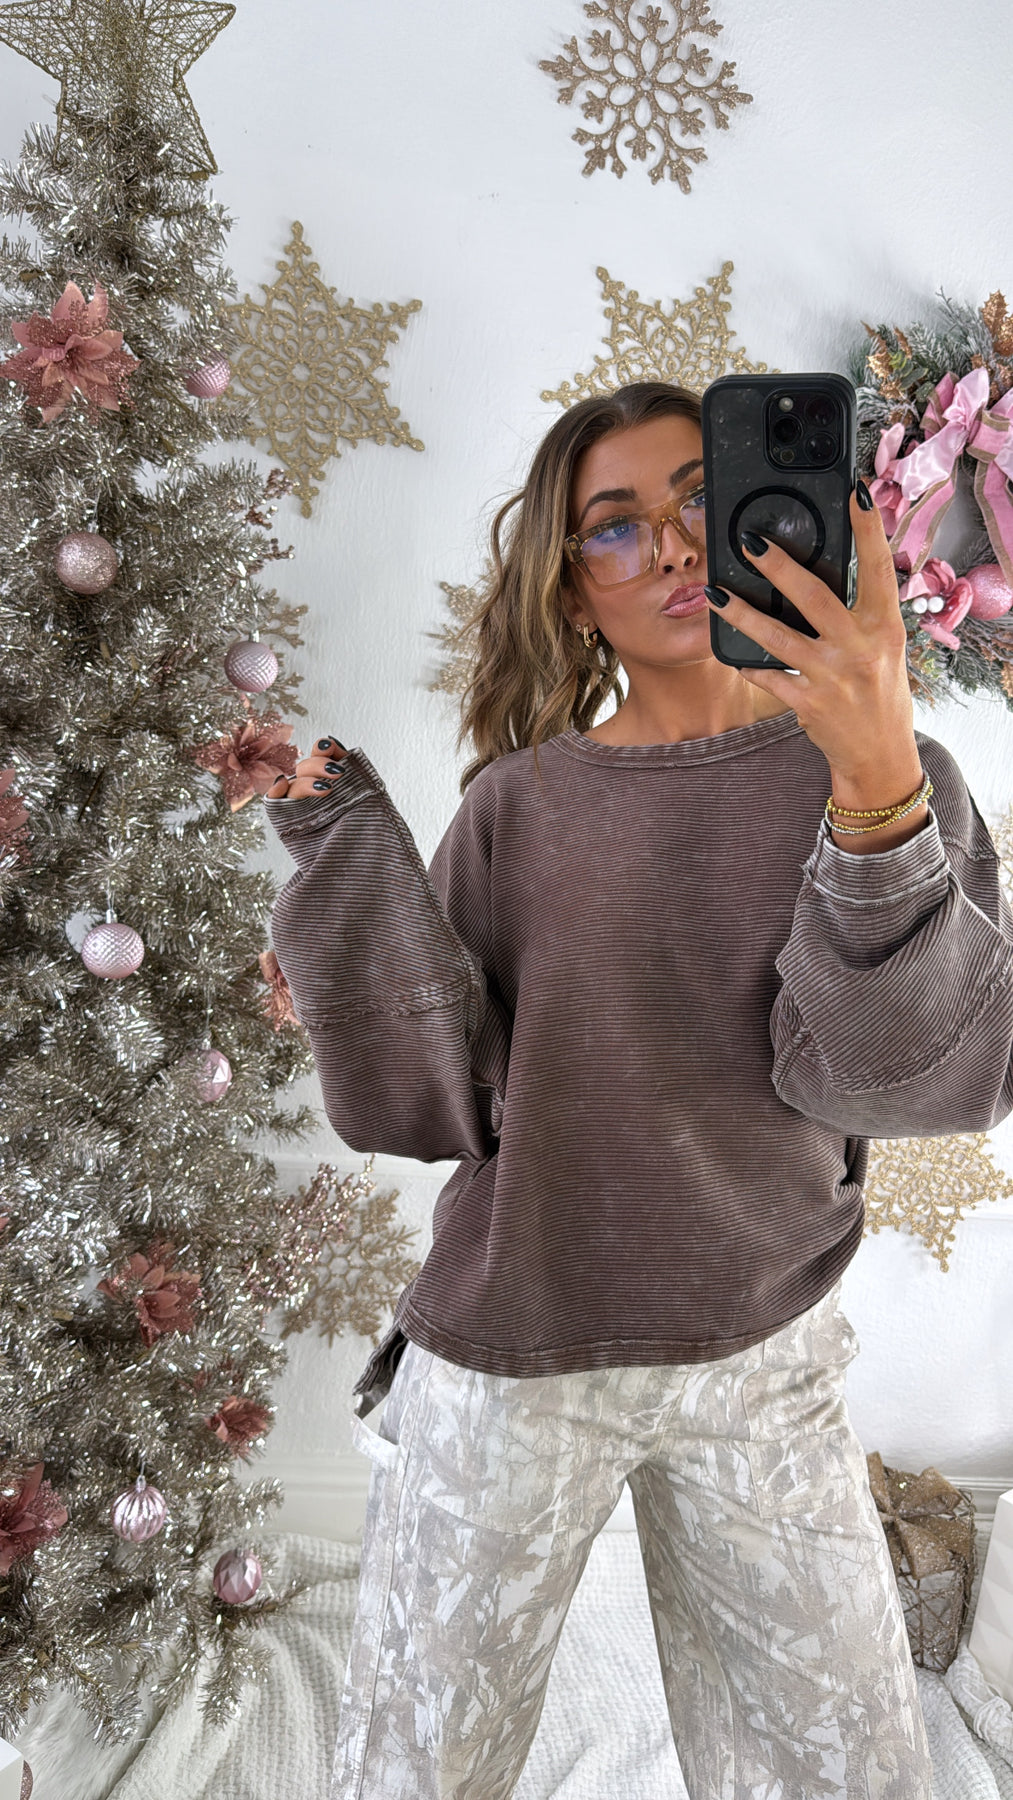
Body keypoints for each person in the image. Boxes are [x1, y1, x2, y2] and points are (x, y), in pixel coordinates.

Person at [263, 381, 1013, 1800]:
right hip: (511, 1351)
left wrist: (870, 765)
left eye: (699, 500)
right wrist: (346, 860)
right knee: (420, 1769)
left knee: (849, 1772)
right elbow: (437, 1100)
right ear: (570, 588)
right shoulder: (520, 806)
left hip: (763, 1352)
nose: (669, 546)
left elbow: (913, 1079)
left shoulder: (896, 770)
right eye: (614, 526)